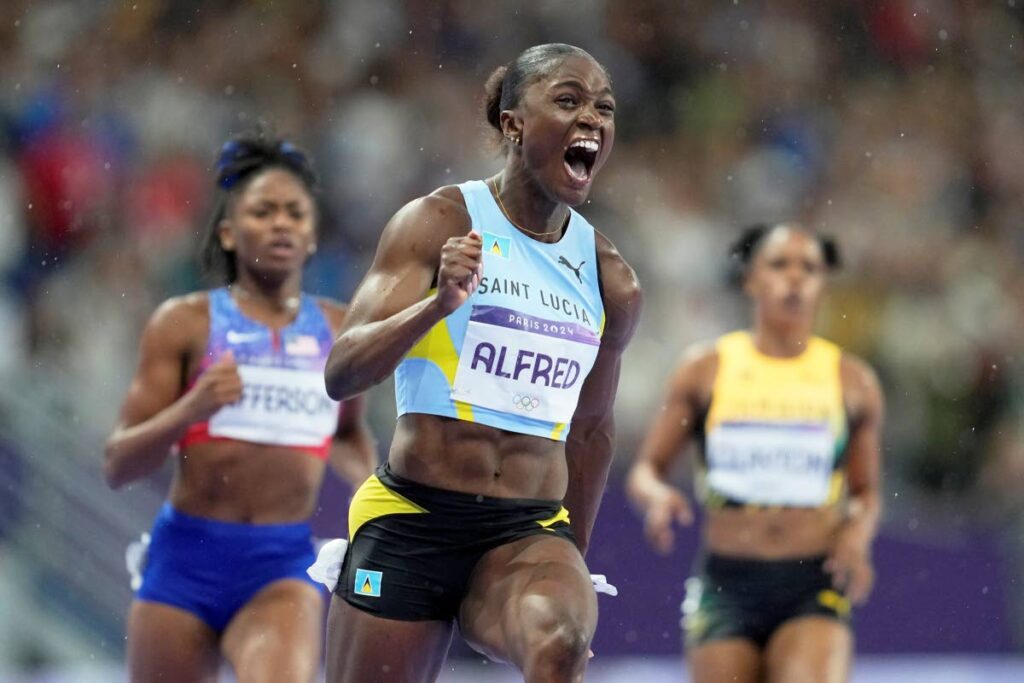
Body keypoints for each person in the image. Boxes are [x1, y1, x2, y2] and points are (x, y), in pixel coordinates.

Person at [319, 43, 642, 683]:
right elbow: (342, 373)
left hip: (525, 533)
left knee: (559, 646)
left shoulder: (611, 279)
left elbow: (592, 430)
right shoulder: (437, 222)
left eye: (603, 108)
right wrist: (436, 306)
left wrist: (569, 559)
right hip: (414, 519)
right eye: (568, 100)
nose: (592, 121)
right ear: (512, 122)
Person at [104, 134, 377, 683]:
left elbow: (347, 433)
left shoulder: (337, 327)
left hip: (278, 565)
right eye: (263, 211)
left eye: (295, 213)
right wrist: (190, 409)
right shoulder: (184, 324)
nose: (281, 223)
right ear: (229, 232)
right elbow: (118, 465)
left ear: (312, 234)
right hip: (183, 563)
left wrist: (375, 496)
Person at [627, 223, 884, 683]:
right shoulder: (704, 370)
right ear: (750, 279)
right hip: (726, 585)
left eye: (809, 268)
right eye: (779, 265)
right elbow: (647, 469)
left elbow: (866, 491)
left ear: (823, 283)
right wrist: (656, 498)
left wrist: (857, 535)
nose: (794, 279)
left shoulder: (852, 380)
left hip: (812, 581)